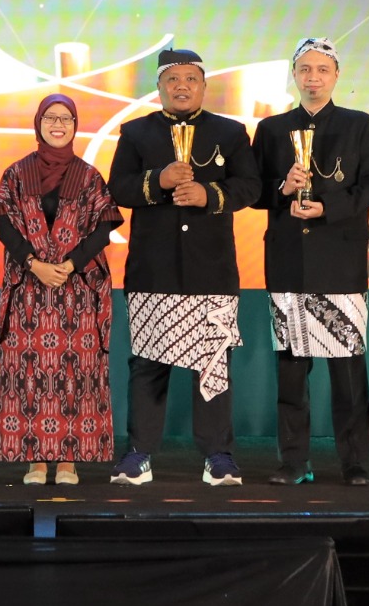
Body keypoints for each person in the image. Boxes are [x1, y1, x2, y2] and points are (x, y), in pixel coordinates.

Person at [108, 48, 261, 487]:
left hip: (212, 272)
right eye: (172, 79)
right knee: (148, 364)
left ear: (204, 86)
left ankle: (218, 456)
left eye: (190, 79)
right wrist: (159, 181)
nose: (181, 86)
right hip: (152, 271)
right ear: (159, 87)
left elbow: (250, 187)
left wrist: (208, 196)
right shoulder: (136, 132)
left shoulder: (230, 132)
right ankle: (139, 454)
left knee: (213, 363)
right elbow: (117, 188)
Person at [255, 37, 369, 487]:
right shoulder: (271, 128)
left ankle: (355, 462)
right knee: (291, 371)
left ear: (336, 75)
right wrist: (283, 188)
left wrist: (328, 206)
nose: (313, 78)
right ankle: (294, 461)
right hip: (288, 260)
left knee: (347, 371)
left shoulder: (360, 126)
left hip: (340, 260)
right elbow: (252, 190)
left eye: (322, 70)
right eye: (305, 70)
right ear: (294, 75)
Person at [0, 93, 121, 486]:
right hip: (28, 291)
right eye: (50, 117)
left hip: (77, 290)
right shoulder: (16, 174)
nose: (58, 124)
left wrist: (70, 264)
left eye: (66, 118)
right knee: (27, 375)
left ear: (76, 125)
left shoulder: (88, 175)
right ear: (38, 123)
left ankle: (69, 460)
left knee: (78, 375)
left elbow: (104, 226)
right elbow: (2, 222)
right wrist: (34, 264)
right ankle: (35, 460)